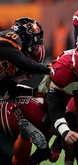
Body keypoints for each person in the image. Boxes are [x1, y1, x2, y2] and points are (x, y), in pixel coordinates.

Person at [0, 17, 50, 165]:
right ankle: (25, 134)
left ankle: (25, 136)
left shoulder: (14, 59)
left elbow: (8, 88)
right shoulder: (11, 39)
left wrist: (32, 93)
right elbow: (23, 62)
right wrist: (49, 70)